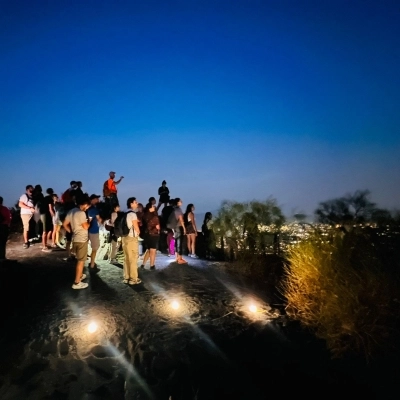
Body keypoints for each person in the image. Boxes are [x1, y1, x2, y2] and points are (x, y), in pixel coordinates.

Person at [63, 196, 91, 289]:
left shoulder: (71, 211)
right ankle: (77, 282)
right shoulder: (81, 213)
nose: (87, 208)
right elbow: (86, 227)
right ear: (85, 205)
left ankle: (80, 275)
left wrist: (71, 232)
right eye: (87, 207)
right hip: (82, 239)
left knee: (79, 259)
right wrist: (89, 221)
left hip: (75, 238)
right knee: (81, 261)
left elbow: (65, 224)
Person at [122, 197, 141, 285]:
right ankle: (133, 279)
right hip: (132, 238)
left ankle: (126, 277)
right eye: (135, 202)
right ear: (131, 204)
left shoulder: (124, 213)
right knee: (133, 258)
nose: (137, 203)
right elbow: (136, 227)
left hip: (124, 237)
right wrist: (139, 232)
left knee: (126, 258)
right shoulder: (133, 214)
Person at [167, 198, 187, 264]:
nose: (182, 202)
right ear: (178, 203)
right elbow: (181, 219)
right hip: (178, 227)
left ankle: (177, 258)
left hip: (175, 227)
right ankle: (179, 259)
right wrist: (184, 228)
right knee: (179, 243)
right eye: (180, 201)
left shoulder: (174, 209)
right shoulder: (178, 209)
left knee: (176, 242)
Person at [140, 202, 160, 270]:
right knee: (153, 250)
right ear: (150, 208)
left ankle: (143, 264)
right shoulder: (154, 216)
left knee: (148, 250)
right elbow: (157, 227)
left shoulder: (144, 216)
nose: (154, 207)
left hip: (147, 235)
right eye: (153, 206)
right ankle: (152, 266)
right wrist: (157, 228)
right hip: (154, 234)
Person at [87, 194, 102, 273]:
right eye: (96, 199)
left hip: (89, 230)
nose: (98, 200)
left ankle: (92, 262)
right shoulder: (94, 209)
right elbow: (99, 219)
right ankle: (92, 264)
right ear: (92, 200)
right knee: (95, 248)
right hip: (94, 230)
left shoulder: (88, 208)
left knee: (93, 247)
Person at [0, 196, 12, 262]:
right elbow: (8, 218)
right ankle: (2, 257)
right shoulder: (4, 209)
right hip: (3, 227)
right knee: (2, 243)